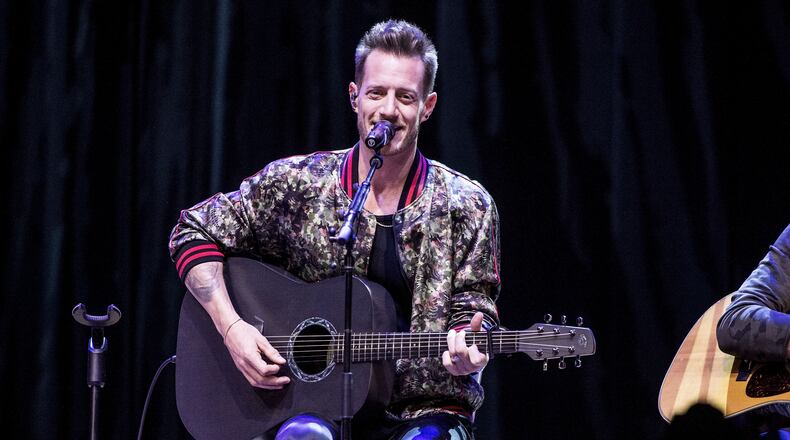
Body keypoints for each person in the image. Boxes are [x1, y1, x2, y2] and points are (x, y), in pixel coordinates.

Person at [169, 20, 501, 440]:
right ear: (354, 96)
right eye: (377, 93)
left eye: (405, 97)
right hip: (311, 405)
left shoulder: (466, 204)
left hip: (426, 407)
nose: (388, 110)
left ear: (427, 106)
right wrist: (232, 327)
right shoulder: (299, 184)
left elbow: (475, 309)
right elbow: (193, 229)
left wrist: (470, 347)